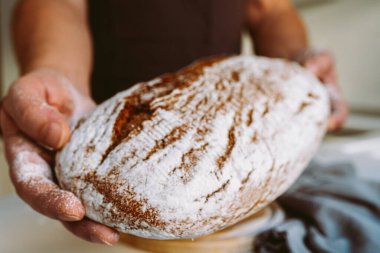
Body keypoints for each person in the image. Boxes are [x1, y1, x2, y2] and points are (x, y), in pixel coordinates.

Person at [0, 0, 348, 246]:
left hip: (226, 129)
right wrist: (58, 76)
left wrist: (295, 78)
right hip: (101, 127)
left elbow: (269, 8)